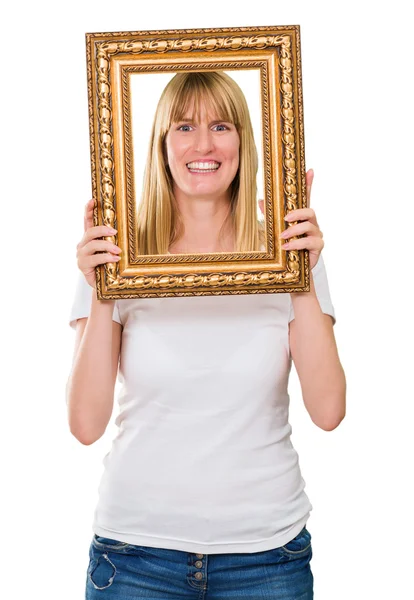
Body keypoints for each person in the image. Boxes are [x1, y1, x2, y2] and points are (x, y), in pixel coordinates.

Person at [67, 71, 346, 599]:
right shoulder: (119, 254)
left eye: (221, 125)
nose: (203, 145)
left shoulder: (285, 250)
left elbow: (329, 411)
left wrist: (302, 275)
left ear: (245, 137)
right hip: (135, 558)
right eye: (184, 126)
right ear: (160, 143)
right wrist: (102, 288)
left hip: (267, 557)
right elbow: (85, 423)